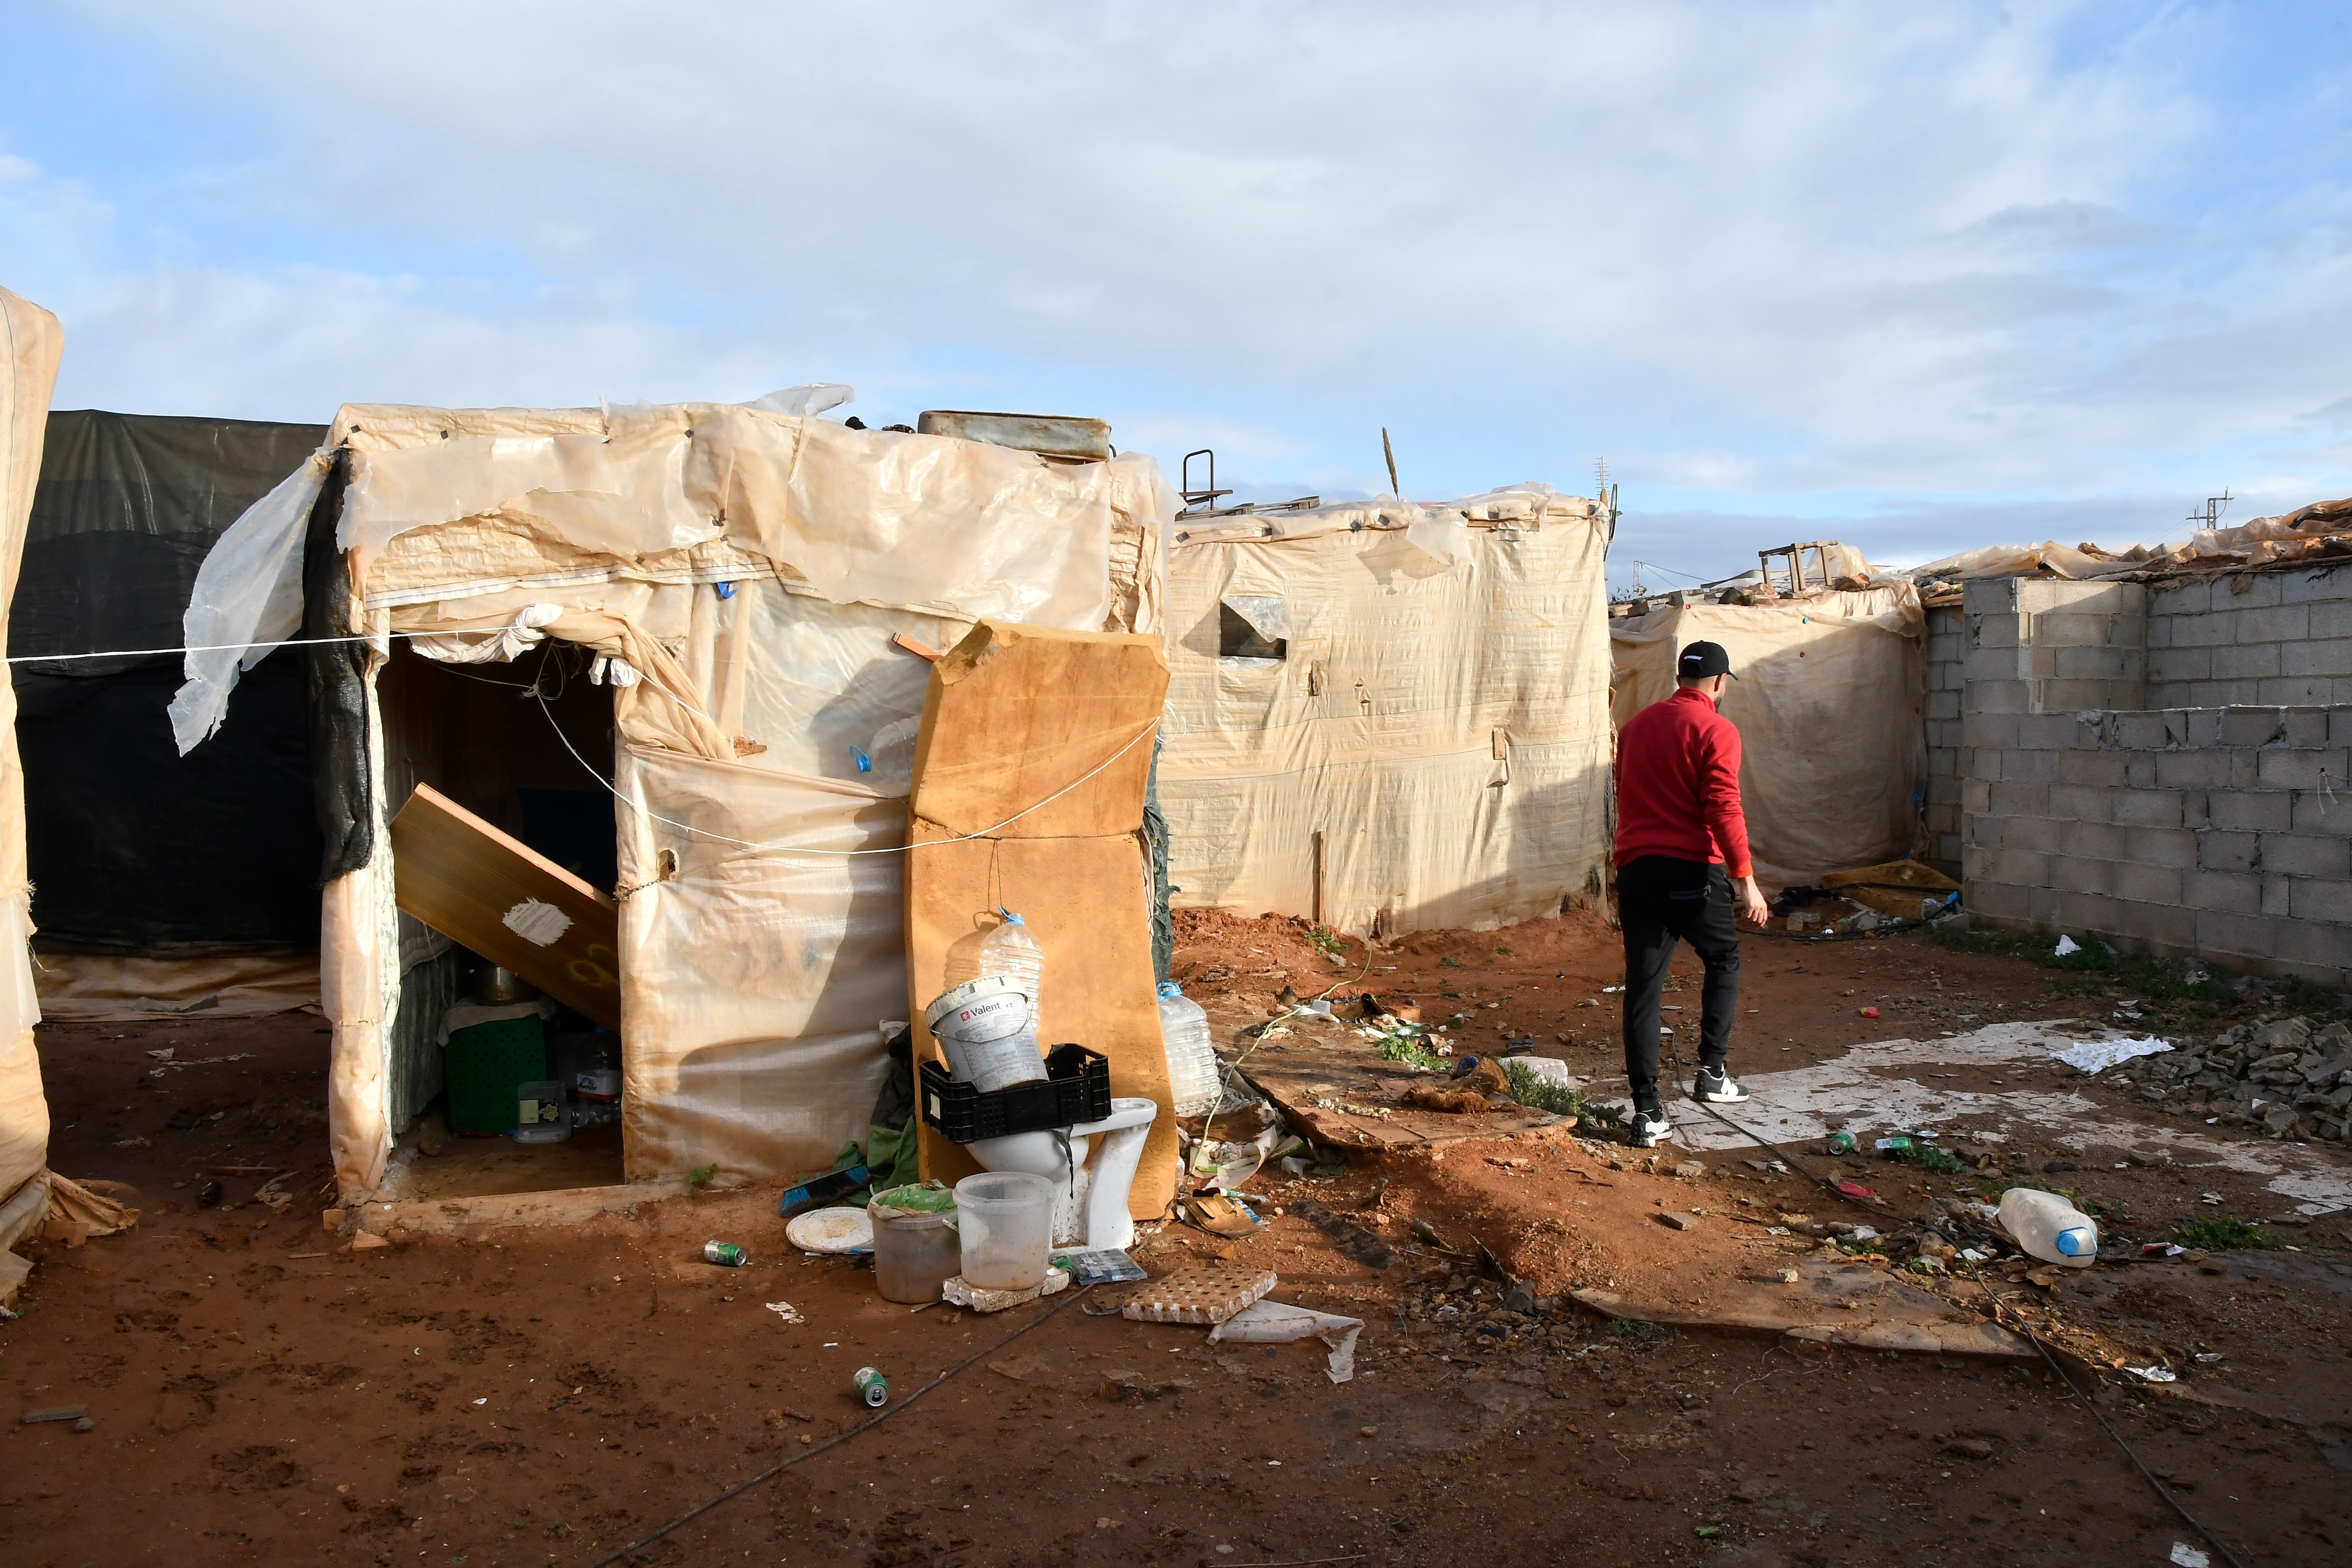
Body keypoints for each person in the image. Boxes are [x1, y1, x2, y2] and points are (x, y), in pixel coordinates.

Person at [1613, 639, 1771, 1147]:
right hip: (1691, 873)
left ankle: (1647, 1111)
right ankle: (1712, 1073)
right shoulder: (1716, 730)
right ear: (1720, 684)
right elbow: (1722, 807)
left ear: (1680, 677)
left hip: (1636, 869)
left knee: (1643, 985)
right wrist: (1745, 880)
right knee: (1722, 956)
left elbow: (1624, 792)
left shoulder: (1635, 728)